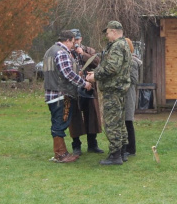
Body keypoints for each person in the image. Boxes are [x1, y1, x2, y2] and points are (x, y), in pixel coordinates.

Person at [86, 21, 131, 165]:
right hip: (119, 88)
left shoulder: (117, 45)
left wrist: (95, 76)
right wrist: (96, 72)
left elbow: (112, 68)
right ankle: (123, 151)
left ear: (114, 31)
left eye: (107, 32)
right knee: (119, 122)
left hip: (113, 89)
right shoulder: (123, 44)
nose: (106, 35)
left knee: (112, 122)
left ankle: (115, 155)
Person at [43, 30, 92, 163]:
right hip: (61, 94)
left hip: (51, 93)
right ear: (68, 40)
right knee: (60, 124)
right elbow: (68, 73)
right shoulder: (61, 52)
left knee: (56, 123)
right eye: (73, 42)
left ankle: (60, 152)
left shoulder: (50, 51)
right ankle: (61, 155)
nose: (73, 45)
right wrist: (84, 83)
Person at [68, 28, 104, 155]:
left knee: (92, 116)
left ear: (81, 39)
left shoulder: (89, 50)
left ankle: (92, 144)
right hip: (73, 88)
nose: (75, 42)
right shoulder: (66, 52)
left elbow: (97, 63)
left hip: (89, 88)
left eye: (77, 39)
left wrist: (82, 54)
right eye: (74, 40)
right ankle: (76, 145)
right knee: (74, 117)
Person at [124, 38, 141, 157]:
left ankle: (131, 149)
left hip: (128, 94)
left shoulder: (133, 62)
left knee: (128, 121)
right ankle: (125, 147)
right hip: (123, 93)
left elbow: (134, 80)